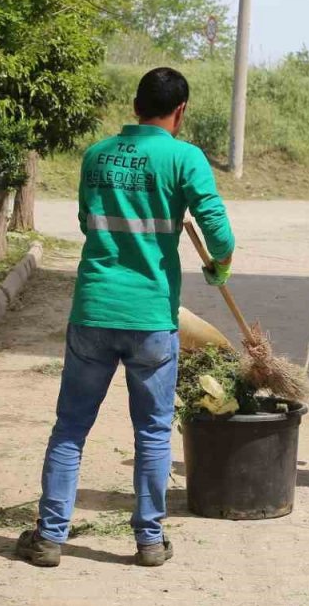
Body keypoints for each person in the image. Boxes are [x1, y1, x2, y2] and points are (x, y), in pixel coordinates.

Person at [17, 67, 235, 568]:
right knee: (154, 432)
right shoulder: (184, 157)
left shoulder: (96, 155)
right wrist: (218, 267)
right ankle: (150, 542)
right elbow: (219, 236)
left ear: (136, 105)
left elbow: (84, 222)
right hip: (152, 319)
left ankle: (50, 538)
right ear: (179, 111)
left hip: (93, 311)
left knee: (70, 428)